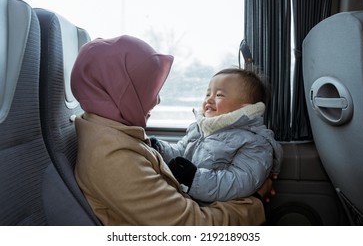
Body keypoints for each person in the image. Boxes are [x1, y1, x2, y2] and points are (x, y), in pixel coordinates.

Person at [70, 35, 272, 226]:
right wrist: (255, 203)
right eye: (148, 90)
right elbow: (188, 226)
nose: (157, 100)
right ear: (120, 90)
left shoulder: (114, 132)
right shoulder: (113, 157)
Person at [152, 68, 283, 204]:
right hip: (186, 199)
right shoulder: (199, 129)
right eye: (208, 94)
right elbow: (180, 153)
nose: (209, 99)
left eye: (219, 95)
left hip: (213, 210)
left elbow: (239, 183)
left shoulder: (255, 142)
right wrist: (160, 149)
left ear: (244, 108)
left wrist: (194, 179)